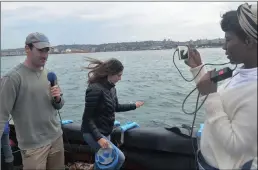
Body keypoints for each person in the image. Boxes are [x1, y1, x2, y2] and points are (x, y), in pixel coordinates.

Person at [184, 3, 257, 170]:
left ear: (249, 41)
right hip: (207, 161)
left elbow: (235, 145)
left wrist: (210, 96)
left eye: (228, 39)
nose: (224, 46)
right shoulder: (242, 71)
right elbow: (219, 97)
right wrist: (197, 68)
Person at [0, 32, 65, 170]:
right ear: (27, 49)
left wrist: (58, 98)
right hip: (33, 146)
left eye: (47, 50)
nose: (45, 54)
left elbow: (58, 105)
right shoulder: (12, 78)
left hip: (56, 138)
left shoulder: (50, 74)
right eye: (41, 50)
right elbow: (1, 114)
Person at [81, 58, 144, 170]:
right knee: (119, 158)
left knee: (102, 161)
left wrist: (134, 105)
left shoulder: (112, 89)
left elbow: (116, 107)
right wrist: (99, 138)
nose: (120, 78)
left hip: (105, 131)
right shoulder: (95, 89)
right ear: (110, 73)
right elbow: (87, 118)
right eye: (119, 75)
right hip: (92, 133)